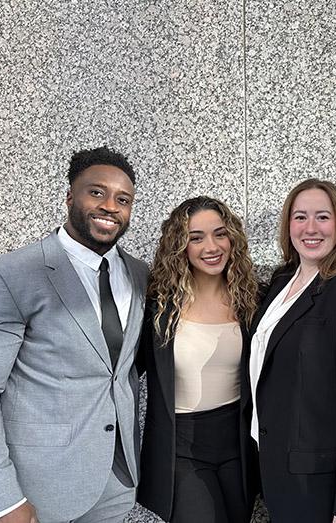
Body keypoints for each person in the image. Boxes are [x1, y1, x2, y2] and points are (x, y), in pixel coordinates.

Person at [0, 147, 149, 522]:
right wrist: (1, 499)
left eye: (123, 199)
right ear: (70, 197)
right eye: (96, 192)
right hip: (35, 490)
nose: (110, 206)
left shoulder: (139, 275)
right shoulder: (9, 275)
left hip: (117, 482)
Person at [245, 179, 336, 523]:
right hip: (279, 474)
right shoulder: (281, 283)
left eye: (322, 217)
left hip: (324, 489)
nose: (311, 228)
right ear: (288, 225)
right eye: (300, 217)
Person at [137, 196, 259, 523]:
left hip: (239, 442)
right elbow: (121, 372)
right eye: (196, 237)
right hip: (182, 448)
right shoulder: (158, 307)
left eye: (220, 234)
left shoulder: (253, 301)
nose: (211, 246)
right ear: (181, 246)